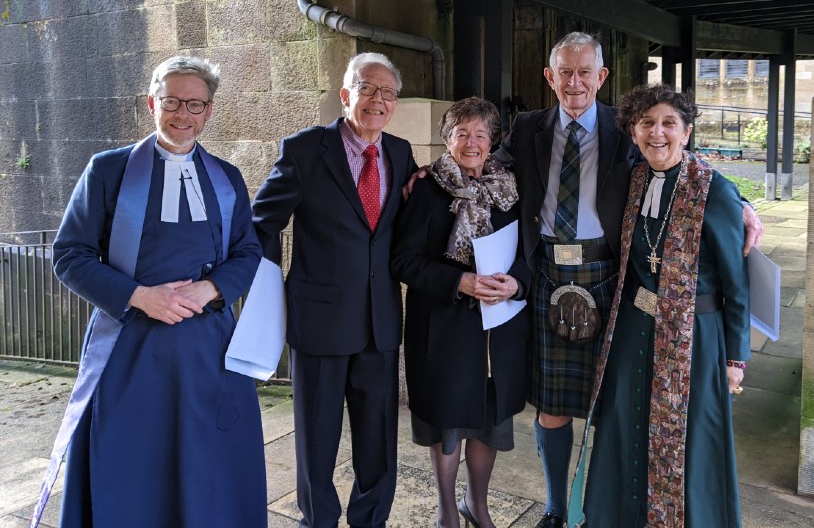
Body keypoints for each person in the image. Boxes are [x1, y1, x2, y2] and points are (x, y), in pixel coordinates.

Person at [488, 31, 764, 528]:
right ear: (550, 77)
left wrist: (740, 204)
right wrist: (429, 174)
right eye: (565, 72)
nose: (575, 82)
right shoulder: (527, 127)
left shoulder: (626, 130)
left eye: (585, 71)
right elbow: (489, 171)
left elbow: (683, 169)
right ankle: (556, 509)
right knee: (551, 407)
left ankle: (625, 507)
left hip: (608, 280)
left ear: (602, 76)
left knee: (618, 408)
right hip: (549, 272)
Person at [33, 55, 266, 527]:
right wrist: (141, 297)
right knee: (134, 464)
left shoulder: (227, 178)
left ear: (209, 111)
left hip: (210, 352)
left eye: (195, 105)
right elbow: (69, 255)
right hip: (133, 349)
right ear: (151, 103)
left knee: (211, 466)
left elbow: (247, 254)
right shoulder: (108, 170)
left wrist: (209, 289)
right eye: (172, 102)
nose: (183, 115)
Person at [569, 83, 750, 527]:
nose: (657, 133)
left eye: (669, 123)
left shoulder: (716, 190)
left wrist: (735, 357)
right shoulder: (633, 181)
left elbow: (736, 283)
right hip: (633, 325)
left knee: (690, 439)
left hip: (696, 335)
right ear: (633, 133)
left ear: (687, 131)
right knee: (623, 420)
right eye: (647, 123)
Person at [252, 52, 417, 528]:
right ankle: (317, 521)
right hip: (320, 321)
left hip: (379, 322)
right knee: (317, 440)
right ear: (346, 95)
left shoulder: (401, 153)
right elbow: (262, 225)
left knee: (378, 440)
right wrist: (261, 298)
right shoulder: (305, 150)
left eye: (388, 93)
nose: (378, 100)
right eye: (368, 89)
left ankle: (371, 520)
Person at [391, 98, 531, 528]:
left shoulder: (510, 189)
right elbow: (403, 261)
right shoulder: (427, 189)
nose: (471, 143)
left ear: (493, 142)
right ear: (447, 139)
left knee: (489, 421)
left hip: (498, 328)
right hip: (446, 327)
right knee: (448, 423)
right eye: (461, 134)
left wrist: (517, 283)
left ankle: (477, 503)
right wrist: (460, 282)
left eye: (481, 134)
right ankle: (447, 507)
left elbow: (528, 254)